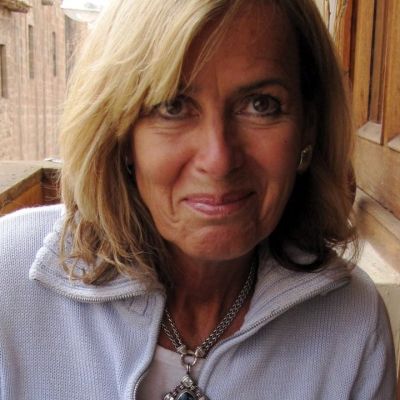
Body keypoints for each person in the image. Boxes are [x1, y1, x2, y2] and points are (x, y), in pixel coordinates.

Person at [0, 0, 396, 399]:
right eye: (173, 106)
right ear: (120, 132)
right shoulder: (8, 279)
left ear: (308, 127)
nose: (219, 159)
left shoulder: (351, 325)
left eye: (261, 104)